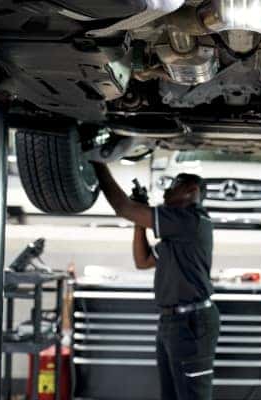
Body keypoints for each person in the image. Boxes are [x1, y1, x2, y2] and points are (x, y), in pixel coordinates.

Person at [93, 163, 219, 400]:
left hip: (191, 323)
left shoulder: (190, 220)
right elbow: (142, 261)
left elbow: (123, 207)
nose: (166, 191)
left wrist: (99, 165)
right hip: (173, 322)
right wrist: (140, 219)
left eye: (174, 185)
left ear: (191, 191)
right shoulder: (177, 232)